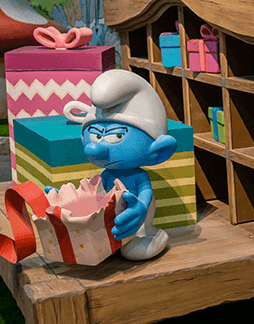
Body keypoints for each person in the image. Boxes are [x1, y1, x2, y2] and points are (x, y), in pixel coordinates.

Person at [62, 69, 178, 260]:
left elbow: (146, 194)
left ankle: (153, 235)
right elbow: (96, 193)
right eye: (95, 135)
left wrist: (140, 208)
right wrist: (68, 199)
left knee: (131, 250)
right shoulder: (106, 175)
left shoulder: (139, 176)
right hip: (111, 220)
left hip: (137, 219)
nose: (95, 149)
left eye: (116, 136)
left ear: (158, 151)